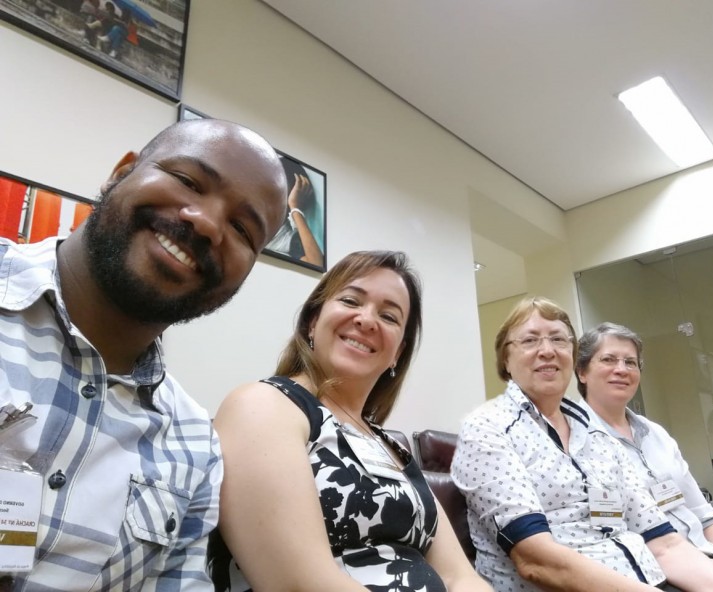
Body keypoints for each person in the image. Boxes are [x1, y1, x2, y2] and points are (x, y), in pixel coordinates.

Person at [0, 118, 288, 590]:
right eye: (189, 181)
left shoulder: (195, 446)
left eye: (241, 228)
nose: (208, 223)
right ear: (121, 172)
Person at [209, 250, 492, 592]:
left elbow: (459, 575)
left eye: (389, 316)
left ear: (397, 353)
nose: (367, 320)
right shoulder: (264, 405)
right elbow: (299, 584)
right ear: (313, 321)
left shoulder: (391, 447)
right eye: (350, 300)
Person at [450, 296, 713, 592]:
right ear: (505, 358)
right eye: (530, 340)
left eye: (559, 339)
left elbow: (665, 544)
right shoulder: (488, 428)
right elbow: (537, 561)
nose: (547, 350)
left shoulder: (599, 438)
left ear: (572, 356)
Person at [575, 322, 713, 590]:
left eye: (630, 362)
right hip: (657, 580)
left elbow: (705, 517)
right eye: (608, 359)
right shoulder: (573, 443)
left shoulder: (657, 434)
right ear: (582, 371)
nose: (621, 369)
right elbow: (605, 545)